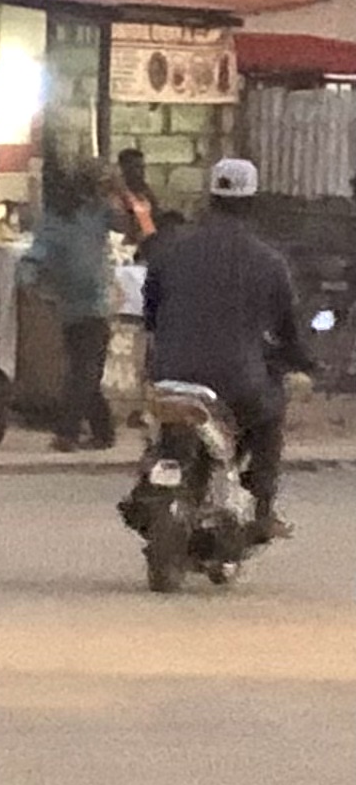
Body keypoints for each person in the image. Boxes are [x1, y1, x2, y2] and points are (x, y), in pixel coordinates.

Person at [140, 157, 307, 541]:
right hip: (238, 384)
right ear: (252, 202)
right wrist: (301, 361)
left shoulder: (169, 252)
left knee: (160, 431)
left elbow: (151, 316)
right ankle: (262, 507)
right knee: (270, 415)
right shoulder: (269, 262)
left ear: (209, 198)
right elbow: (288, 331)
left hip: (170, 377)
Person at [25, 153, 121, 452]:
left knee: (83, 369)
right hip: (80, 304)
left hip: (85, 305)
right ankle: (98, 432)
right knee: (86, 370)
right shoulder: (78, 217)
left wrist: (121, 191)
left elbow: (133, 223)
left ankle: (74, 432)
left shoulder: (92, 214)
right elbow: (34, 258)